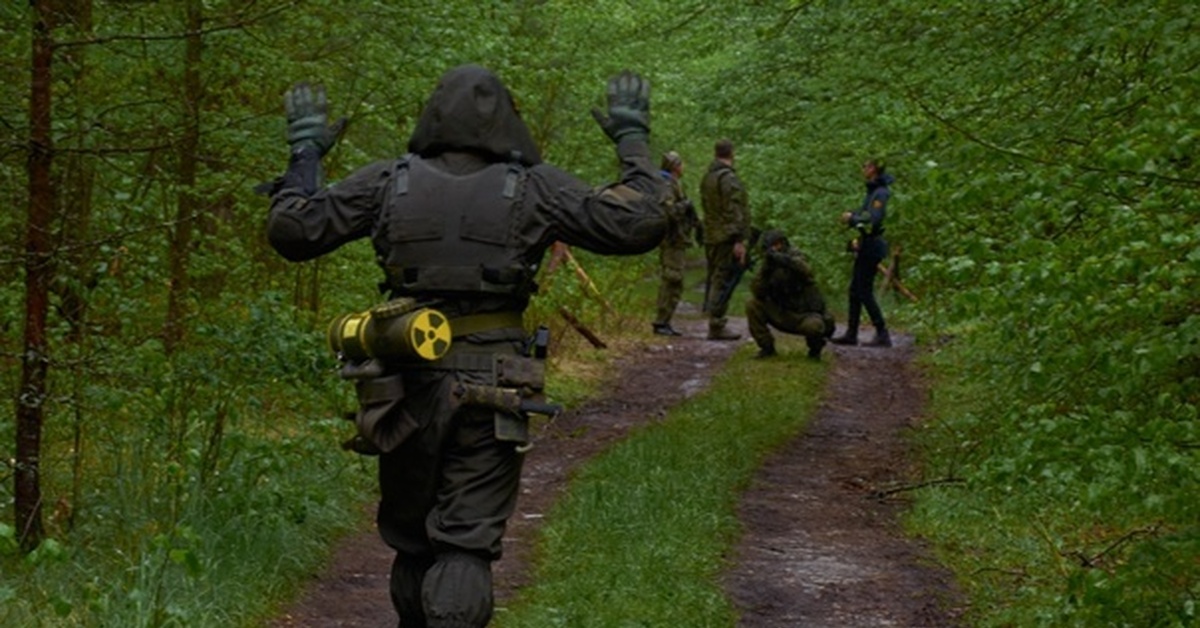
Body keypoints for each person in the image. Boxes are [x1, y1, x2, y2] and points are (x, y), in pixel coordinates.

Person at [263, 66, 666, 628]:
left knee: (413, 539)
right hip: (493, 382)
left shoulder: (388, 181)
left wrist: (305, 154)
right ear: (509, 121)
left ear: (430, 117)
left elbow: (292, 231)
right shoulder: (533, 186)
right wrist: (632, 141)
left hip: (402, 382)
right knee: (463, 543)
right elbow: (640, 224)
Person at [745, 229, 836, 360]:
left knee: (815, 326)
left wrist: (784, 261)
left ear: (782, 243)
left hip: (803, 314)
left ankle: (815, 351)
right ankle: (767, 348)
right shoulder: (769, 264)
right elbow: (757, 291)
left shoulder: (795, 255)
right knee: (752, 304)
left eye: (776, 246)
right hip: (781, 311)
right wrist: (766, 270)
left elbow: (806, 271)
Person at [832, 158, 893, 347]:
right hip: (867, 244)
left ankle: (882, 333)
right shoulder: (872, 191)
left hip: (873, 247)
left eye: (865, 165)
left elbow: (873, 220)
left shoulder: (881, 193)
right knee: (855, 290)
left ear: (874, 169)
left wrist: (852, 218)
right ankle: (852, 332)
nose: (863, 169)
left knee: (864, 291)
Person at [699, 139, 751, 341]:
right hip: (725, 236)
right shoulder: (727, 178)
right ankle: (717, 324)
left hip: (712, 234)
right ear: (732, 153)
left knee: (716, 277)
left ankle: (715, 320)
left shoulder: (708, 177)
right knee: (723, 279)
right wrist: (739, 239)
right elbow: (734, 209)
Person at [651, 150, 699, 336]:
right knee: (672, 279)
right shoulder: (666, 184)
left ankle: (665, 321)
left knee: (676, 281)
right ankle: (661, 322)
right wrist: (685, 206)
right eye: (681, 164)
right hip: (671, 239)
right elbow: (668, 211)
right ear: (675, 166)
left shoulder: (673, 184)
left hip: (677, 239)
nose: (683, 167)